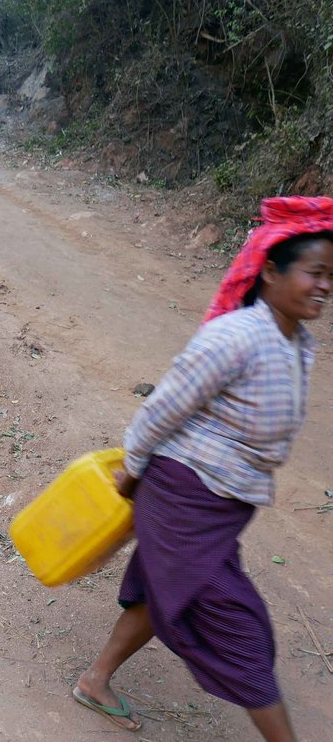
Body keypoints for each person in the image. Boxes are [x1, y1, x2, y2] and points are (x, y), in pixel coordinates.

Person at [73, 196, 333, 742]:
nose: (325, 285)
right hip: (182, 492)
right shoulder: (235, 337)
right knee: (242, 632)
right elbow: (161, 407)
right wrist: (134, 473)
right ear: (269, 270)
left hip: (219, 503)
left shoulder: (295, 343)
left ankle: (95, 680)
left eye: (331, 275)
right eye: (315, 272)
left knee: (165, 588)